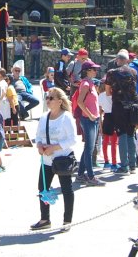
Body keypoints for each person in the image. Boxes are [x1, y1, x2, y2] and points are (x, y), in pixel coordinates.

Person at [30, 87, 77, 231]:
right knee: (43, 188)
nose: (48, 101)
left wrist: (54, 147)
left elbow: (72, 139)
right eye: (47, 98)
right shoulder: (44, 117)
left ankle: (67, 221)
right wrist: (39, 145)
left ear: (60, 101)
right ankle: (45, 219)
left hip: (62, 159)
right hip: (46, 159)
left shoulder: (66, 117)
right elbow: (38, 136)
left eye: (51, 98)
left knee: (66, 189)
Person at [76, 60, 105, 186]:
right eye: (93, 69)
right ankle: (91, 176)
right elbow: (79, 102)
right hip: (88, 120)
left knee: (88, 147)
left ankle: (81, 175)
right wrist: (91, 115)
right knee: (89, 148)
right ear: (87, 71)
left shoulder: (91, 83)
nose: (95, 71)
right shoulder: (86, 84)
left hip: (92, 119)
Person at [109, 66, 138, 174]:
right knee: (131, 134)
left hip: (119, 106)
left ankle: (124, 166)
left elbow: (108, 91)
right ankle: (132, 165)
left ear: (117, 60)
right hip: (133, 105)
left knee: (122, 134)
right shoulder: (134, 72)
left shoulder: (112, 72)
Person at [98, 80, 117, 170]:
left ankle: (106, 162)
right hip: (114, 117)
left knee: (105, 141)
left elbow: (99, 112)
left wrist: (101, 126)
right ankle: (114, 163)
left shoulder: (100, 96)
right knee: (114, 142)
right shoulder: (115, 95)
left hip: (106, 118)